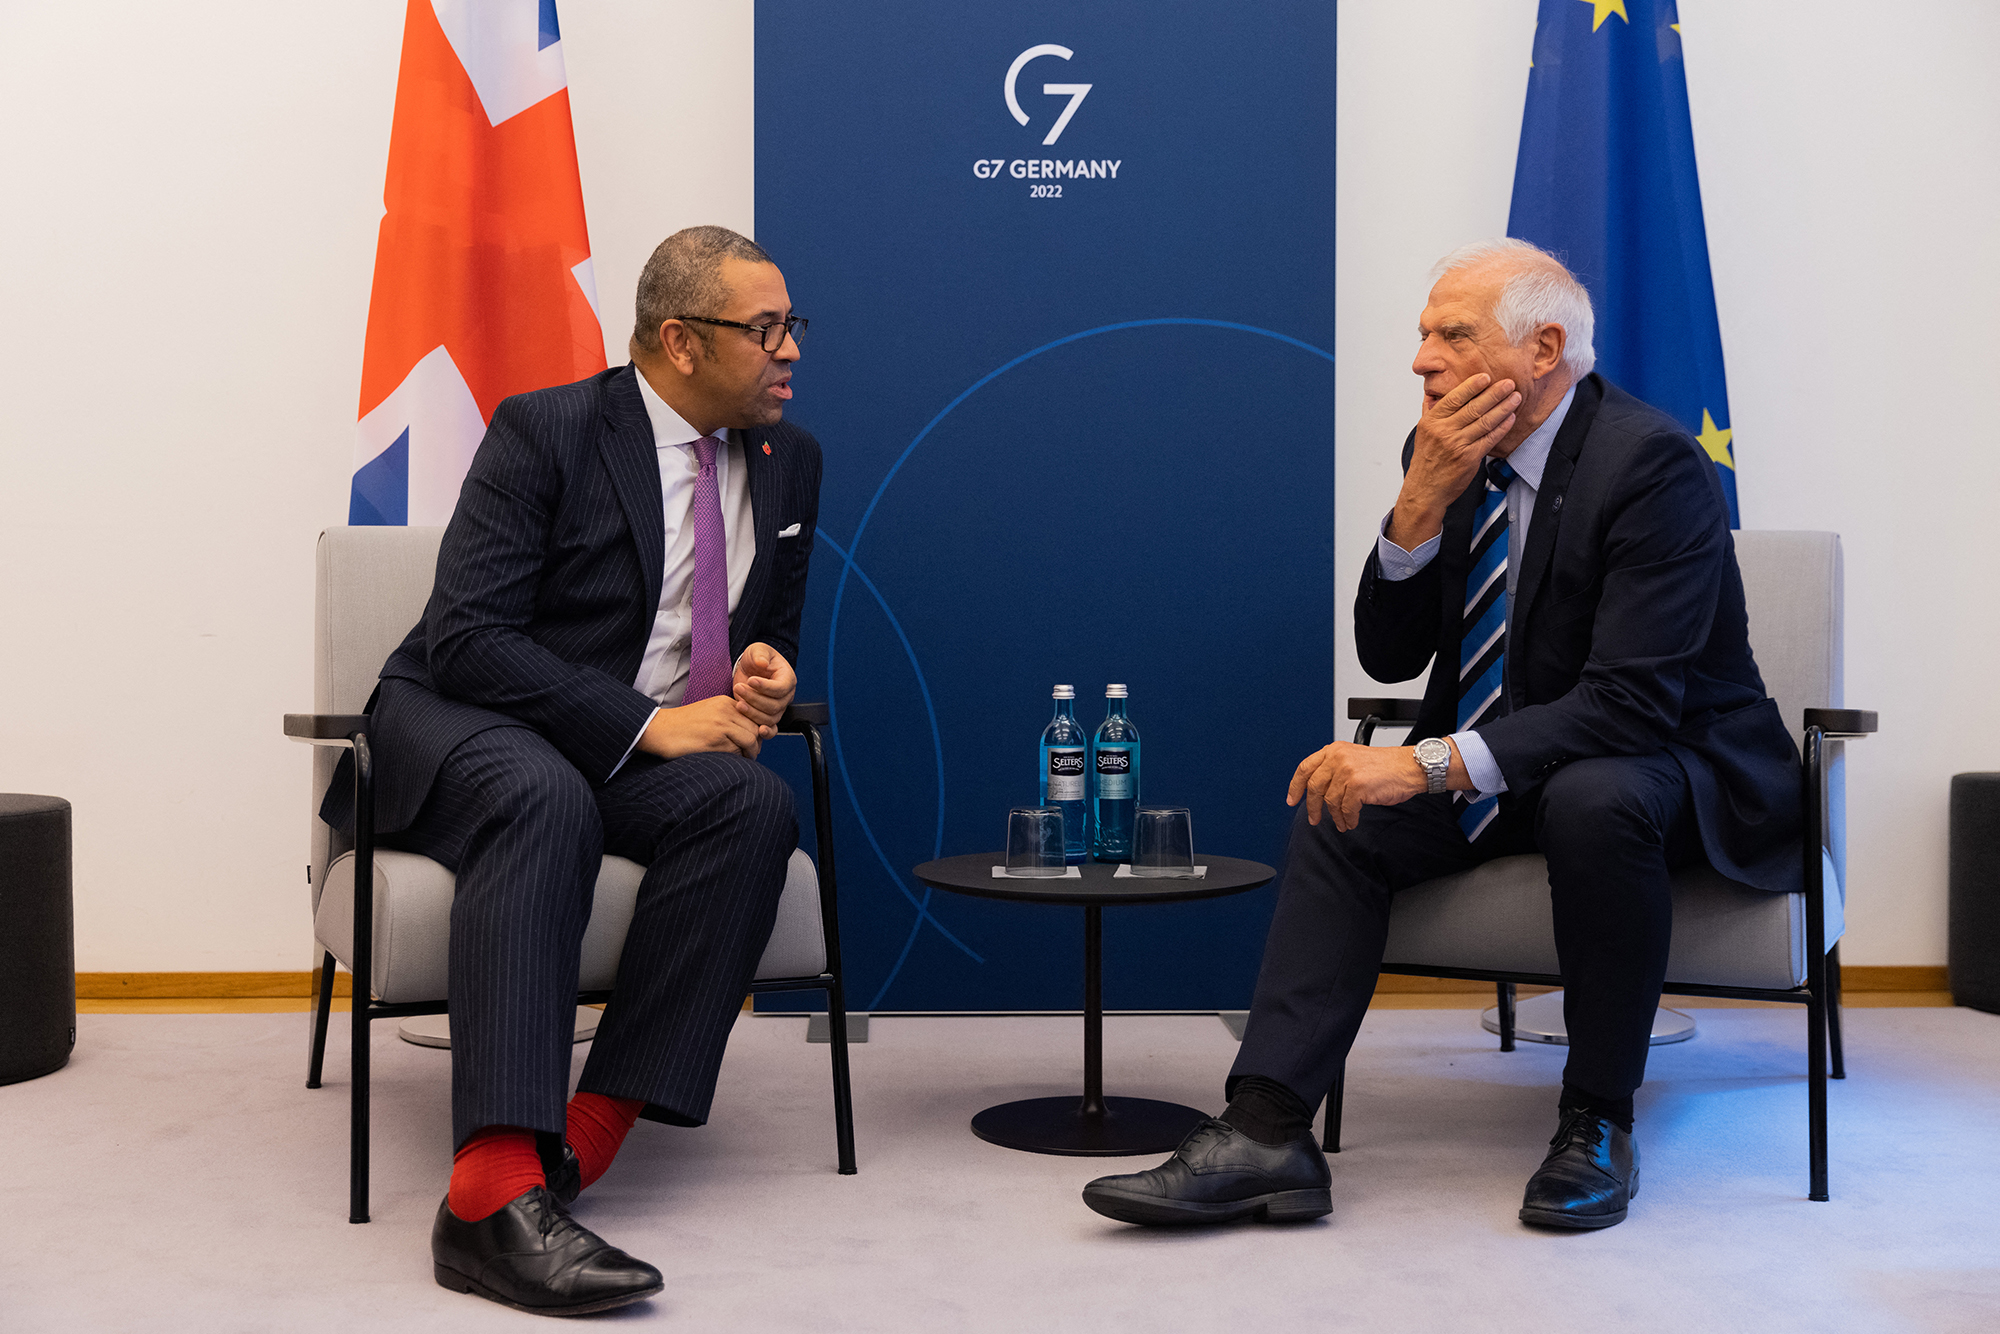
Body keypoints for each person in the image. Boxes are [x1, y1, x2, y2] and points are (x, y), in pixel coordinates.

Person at [1081, 238, 1801, 1232]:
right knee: (1339, 803)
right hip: (1515, 760)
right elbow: (1387, 656)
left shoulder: (1651, 465)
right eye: (1421, 335)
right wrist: (1418, 500)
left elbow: (1629, 704)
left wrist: (1422, 763)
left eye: (1448, 335)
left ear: (1541, 349)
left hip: (1671, 762)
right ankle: (1267, 1125)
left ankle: (1595, 1119)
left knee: (1594, 795)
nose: (1419, 359)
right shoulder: (1446, 453)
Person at [321, 226, 821, 1314]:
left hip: (615, 745)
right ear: (680, 342)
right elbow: (471, 639)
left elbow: (764, 629)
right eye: (766, 328)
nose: (790, 351)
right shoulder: (545, 430)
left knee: (751, 805)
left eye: (792, 326)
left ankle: (575, 1151)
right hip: (465, 719)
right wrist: (649, 726)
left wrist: (762, 676)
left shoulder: (790, 460)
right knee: (542, 794)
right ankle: (485, 1199)